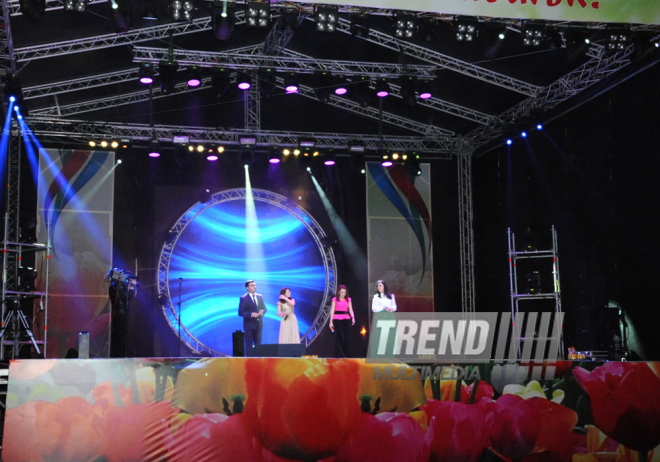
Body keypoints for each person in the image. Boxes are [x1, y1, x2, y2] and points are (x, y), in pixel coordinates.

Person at [238, 280, 267, 354]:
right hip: (249, 326)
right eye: (252, 285)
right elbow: (240, 312)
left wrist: (262, 312)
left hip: (259, 325)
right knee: (249, 345)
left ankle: (259, 361)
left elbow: (264, 308)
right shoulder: (243, 298)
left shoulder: (259, 296)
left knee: (259, 345)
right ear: (247, 288)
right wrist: (251, 314)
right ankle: (249, 362)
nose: (254, 287)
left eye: (255, 285)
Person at [329, 284, 355, 357]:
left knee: (346, 337)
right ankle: (341, 355)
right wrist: (330, 322)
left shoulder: (348, 299)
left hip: (346, 319)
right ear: (338, 292)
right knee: (339, 337)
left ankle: (346, 354)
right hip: (337, 319)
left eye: (344, 292)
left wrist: (353, 317)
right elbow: (332, 310)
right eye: (342, 292)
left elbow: (350, 309)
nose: (343, 294)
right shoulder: (335, 299)